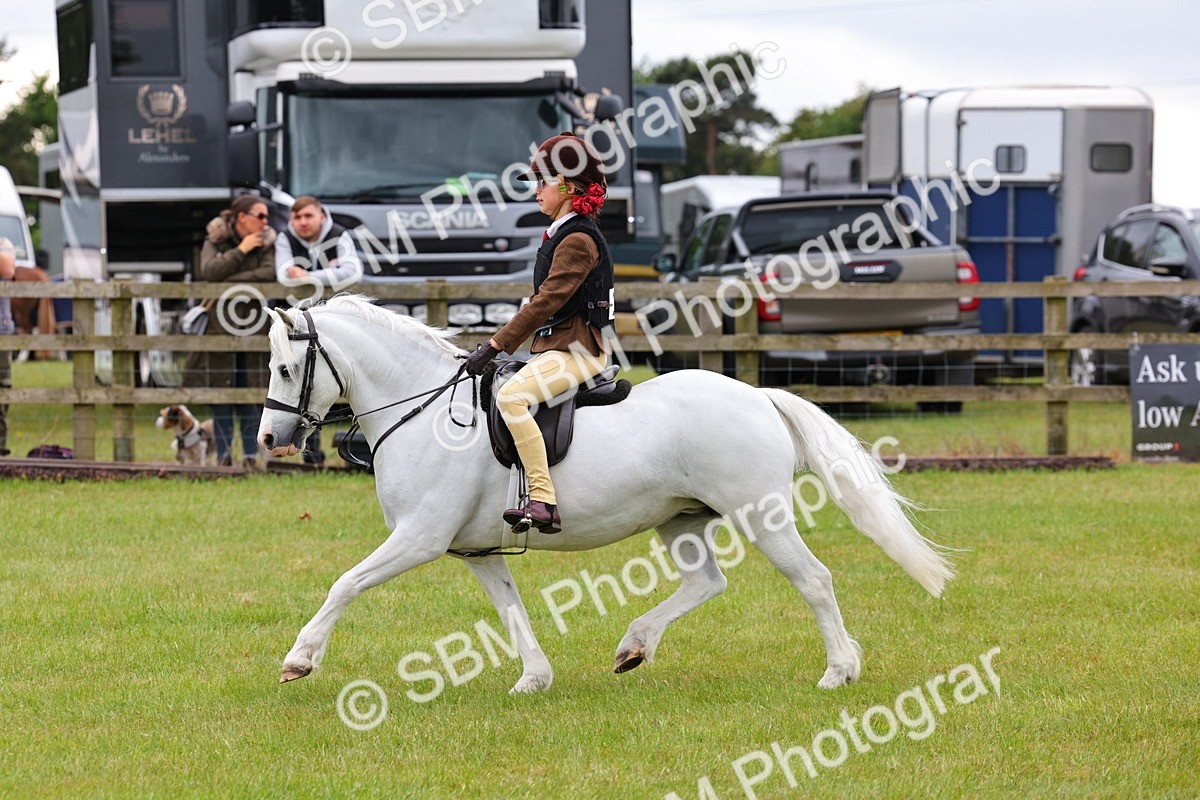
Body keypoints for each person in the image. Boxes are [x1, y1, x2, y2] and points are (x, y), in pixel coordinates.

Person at [463, 132, 615, 533]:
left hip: (580, 351)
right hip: (559, 347)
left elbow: (545, 302)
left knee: (511, 399)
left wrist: (496, 345)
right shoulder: (561, 233)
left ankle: (543, 498)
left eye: (543, 183)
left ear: (567, 187)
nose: (536, 192)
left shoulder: (578, 239)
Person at [183, 194, 276, 469]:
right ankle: (223, 456)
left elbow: (268, 274)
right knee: (221, 392)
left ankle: (250, 457)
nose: (265, 221)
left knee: (250, 391)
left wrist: (228, 277)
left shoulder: (268, 241)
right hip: (219, 327)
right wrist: (242, 250)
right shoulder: (215, 238)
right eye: (260, 215)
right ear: (241, 217)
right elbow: (209, 270)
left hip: (254, 325)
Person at [275, 195, 363, 464]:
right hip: (298, 323)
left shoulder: (339, 235)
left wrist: (310, 276)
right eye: (297, 217)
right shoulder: (285, 238)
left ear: (321, 216)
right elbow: (283, 274)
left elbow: (353, 271)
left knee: (348, 380)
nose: (302, 223)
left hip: (337, 322)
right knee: (302, 382)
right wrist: (326, 273)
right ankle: (310, 453)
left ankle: (354, 448)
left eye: (307, 216)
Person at [0, 236, 15, 456]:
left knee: (2, 386)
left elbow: (8, 269)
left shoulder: (4, 245)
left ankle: (0, 445)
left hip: (1, 331)